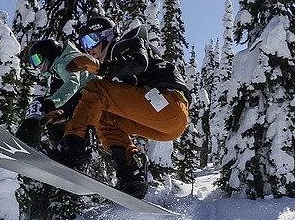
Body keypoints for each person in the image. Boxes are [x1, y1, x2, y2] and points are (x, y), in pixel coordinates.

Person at [48, 15, 190, 198]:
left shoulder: (126, 44)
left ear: (106, 36)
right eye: (84, 45)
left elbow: (139, 63)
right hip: (166, 126)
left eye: (91, 40)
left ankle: (72, 150)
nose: (89, 49)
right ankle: (131, 172)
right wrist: (67, 114)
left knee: (96, 89)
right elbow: (100, 101)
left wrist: (99, 68)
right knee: (102, 116)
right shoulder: (112, 68)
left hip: (168, 103)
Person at [15, 37, 97, 148]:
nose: (36, 66)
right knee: (51, 119)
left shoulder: (63, 63)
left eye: (37, 59)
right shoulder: (65, 62)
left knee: (40, 104)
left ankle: (25, 140)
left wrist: (52, 102)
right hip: (89, 102)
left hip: (88, 97)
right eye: (33, 62)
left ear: (48, 53)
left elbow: (73, 83)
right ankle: (67, 151)